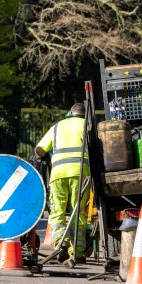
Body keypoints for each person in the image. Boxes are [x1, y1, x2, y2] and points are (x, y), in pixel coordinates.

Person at [35, 102, 91, 268]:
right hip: (80, 173)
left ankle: (60, 246)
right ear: (83, 114)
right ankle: (78, 252)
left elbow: (39, 149)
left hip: (58, 173)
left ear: (70, 113)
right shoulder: (87, 125)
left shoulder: (57, 126)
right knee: (78, 212)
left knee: (58, 211)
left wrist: (45, 156)